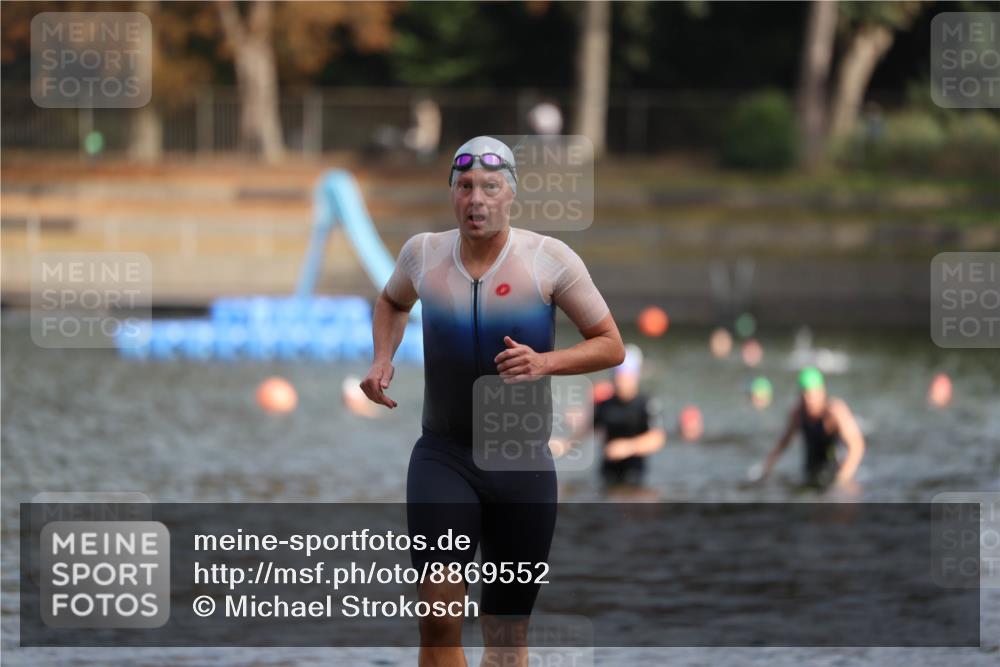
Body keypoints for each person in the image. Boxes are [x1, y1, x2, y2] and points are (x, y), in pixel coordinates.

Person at [360, 136, 625, 667]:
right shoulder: (423, 254)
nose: (476, 199)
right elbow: (391, 301)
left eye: (490, 187)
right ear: (452, 194)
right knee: (438, 619)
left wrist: (544, 362)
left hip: (521, 465)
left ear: (511, 195)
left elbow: (610, 344)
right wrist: (382, 358)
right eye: (464, 186)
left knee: (504, 638)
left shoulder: (549, 260)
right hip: (444, 456)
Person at [758, 367, 866, 489]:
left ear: (821, 392)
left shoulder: (835, 411)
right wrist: (768, 465)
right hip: (810, 469)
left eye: (811, 395)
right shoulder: (798, 413)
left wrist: (842, 479)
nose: (808, 400)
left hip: (836, 469)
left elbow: (857, 447)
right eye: (804, 395)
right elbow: (785, 441)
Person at [593, 344, 666, 488]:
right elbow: (586, 429)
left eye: (626, 377)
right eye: (618, 376)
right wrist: (564, 445)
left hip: (635, 473)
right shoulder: (605, 404)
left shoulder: (647, 403)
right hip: (607, 471)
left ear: (635, 377)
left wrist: (628, 447)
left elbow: (657, 438)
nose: (621, 382)